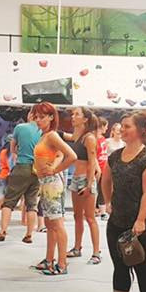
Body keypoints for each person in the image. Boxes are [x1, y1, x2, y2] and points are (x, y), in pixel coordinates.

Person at [100, 112, 146, 292]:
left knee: (143, 268)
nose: (122, 130)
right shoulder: (115, 157)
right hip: (117, 221)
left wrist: (141, 220)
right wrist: (108, 202)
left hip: (141, 225)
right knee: (120, 266)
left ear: (141, 130)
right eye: (122, 126)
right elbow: (105, 180)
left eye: (127, 126)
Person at [30, 102, 77, 275]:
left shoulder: (51, 136)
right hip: (45, 182)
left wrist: (55, 169)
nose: (38, 120)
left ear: (51, 117)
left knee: (56, 224)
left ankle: (62, 263)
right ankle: (49, 259)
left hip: (52, 183)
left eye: (42, 117)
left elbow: (72, 155)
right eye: (36, 117)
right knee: (50, 223)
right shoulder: (44, 136)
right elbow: (60, 154)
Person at [0, 110, 41, 243]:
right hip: (37, 170)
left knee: (9, 202)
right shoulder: (43, 131)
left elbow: (13, 148)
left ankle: (2, 232)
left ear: (30, 115)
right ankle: (29, 234)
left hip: (21, 167)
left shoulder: (20, 128)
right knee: (32, 204)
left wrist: (18, 153)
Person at [62, 107, 102, 265]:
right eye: (72, 114)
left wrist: (89, 183)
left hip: (86, 179)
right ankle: (77, 247)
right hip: (76, 179)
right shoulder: (77, 135)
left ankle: (96, 252)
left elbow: (93, 162)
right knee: (77, 216)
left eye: (77, 114)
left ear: (85, 119)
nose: (73, 116)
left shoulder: (89, 138)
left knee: (90, 217)